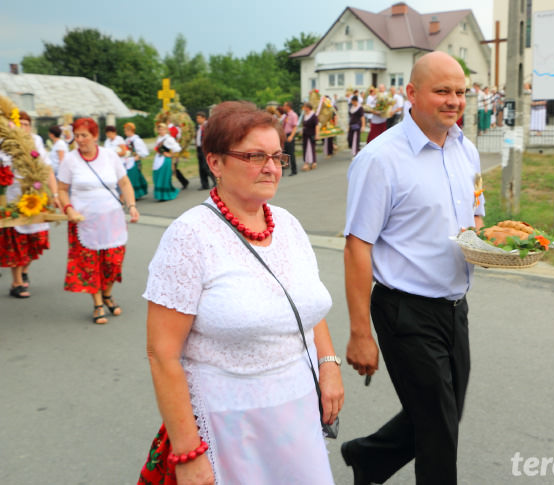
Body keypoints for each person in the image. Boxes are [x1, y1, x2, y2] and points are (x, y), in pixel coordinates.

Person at [138, 101, 344, 484]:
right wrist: (187, 452)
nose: (271, 167)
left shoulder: (288, 224)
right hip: (229, 420)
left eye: (277, 156)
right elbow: (162, 354)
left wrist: (329, 364)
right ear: (215, 162)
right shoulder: (189, 237)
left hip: (297, 409)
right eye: (254, 156)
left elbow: (304, 303)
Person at [341, 51, 485, 485]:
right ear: (411, 94)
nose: (453, 100)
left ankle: (368, 457)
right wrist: (360, 333)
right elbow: (356, 247)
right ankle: (371, 459)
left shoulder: (467, 150)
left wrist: (489, 241)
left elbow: (475, 217)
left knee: (446, 412)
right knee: (439, 429)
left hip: (454, 305)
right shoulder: (380, 159)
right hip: (404, 311)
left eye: (460, 92)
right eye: (442, 91)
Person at [57, 117, 139, 323]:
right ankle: (98, 303)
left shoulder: (110, 156)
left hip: (112, 219)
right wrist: (68, 209)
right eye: (76, 136)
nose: (79, 140)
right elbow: (61, 190)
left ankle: (107, 293)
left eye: (84, 135)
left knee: (113, 262)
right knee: (90, 264)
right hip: (84, 221)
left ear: (95, 136)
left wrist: (132, 207)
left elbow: (125, 183)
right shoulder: (70, 160)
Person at [2, 111, 60, 298]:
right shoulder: (4, 143)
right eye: (21, 123)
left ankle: (24, 269)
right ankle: (17, 282)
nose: (24, 127)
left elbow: (47, 169)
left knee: (38, 241)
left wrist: (55, 193)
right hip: (13, 197)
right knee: (17, 243)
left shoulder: (36, 140)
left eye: (27, 124)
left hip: (36, 195)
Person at [152, 122, 181, 201]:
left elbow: (177, 148)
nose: (161, 131)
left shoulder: (169, 139)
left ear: (166, 130)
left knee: (163, 177)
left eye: (162, 129)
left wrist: (170, 154)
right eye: (159, 129)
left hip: (165, 160)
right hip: (158, 159)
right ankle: (159, 195)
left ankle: (165, 195)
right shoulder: (159, 138)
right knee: (157, 176)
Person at [123, 122, 150, 199]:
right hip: (128, 160)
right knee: (132, 177)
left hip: (134, 161)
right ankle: (137, 192)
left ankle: (136, 194)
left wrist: (138, 155)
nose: (125, 132)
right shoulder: (127, 140)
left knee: (134, 177)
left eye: (126, 131)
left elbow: (143, 151)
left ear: (130, 131)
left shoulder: (136, 140)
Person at [195, 112, 214, 189]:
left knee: (205, 166)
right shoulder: (199, 127)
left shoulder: (207, 126)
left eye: (199, 118)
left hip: (205, 148)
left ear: (204, 118)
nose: (197, 120)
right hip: (199, 148)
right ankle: (204, 184)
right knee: (201, 168)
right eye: (197, 118)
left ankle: (216, 181)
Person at [281, 101, 298, 176]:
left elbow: (295, 127)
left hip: (289, 135)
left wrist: (291, 136)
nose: (283, 107)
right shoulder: (285, 115)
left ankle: (294, 170)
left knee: (291, 153)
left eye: (284, 106)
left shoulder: (293, 115)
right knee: (283, 153)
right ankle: (282, 170)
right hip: (284, 135)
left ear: (288, 107)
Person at [301, 102, 319, 171]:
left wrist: (317, 134)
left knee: (311, 148)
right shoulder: (304, 115)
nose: (303, 108)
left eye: (304, 107)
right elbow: (304, 124)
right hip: (305, 134)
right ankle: (306, 162)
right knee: (305, 148)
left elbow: (317, 125)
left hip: (311, 134)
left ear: (308, 108)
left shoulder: (313, 115)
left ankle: (313, 162)